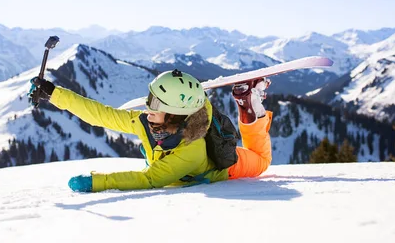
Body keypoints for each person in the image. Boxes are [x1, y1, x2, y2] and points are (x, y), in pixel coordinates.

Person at [29, 69, 273, 192]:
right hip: (183, 153)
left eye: (155, 103)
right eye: (149, 98)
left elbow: (149, 179)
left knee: (262, 162)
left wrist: (95, 183)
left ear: (175, 113)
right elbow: (101, 115)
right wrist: (53, 94)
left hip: (226, 169)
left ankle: (250, 106)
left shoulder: (192, 152)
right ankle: (249, 106)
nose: (147, 107)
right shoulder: (148, 121)